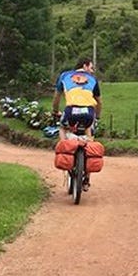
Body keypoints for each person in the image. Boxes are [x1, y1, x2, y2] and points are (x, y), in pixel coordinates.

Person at [52, 58, 102, 189]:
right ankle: (87, 178)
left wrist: (55, 111)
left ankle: (65, 154)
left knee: (62, 128)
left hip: (70, 111)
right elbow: (99, 102)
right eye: (91, 67)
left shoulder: (64, 75)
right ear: (85, 66)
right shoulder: (93, 80)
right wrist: (97, 117)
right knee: (89, 137)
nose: (91, 71)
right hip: (88, 113)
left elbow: (57, 97)